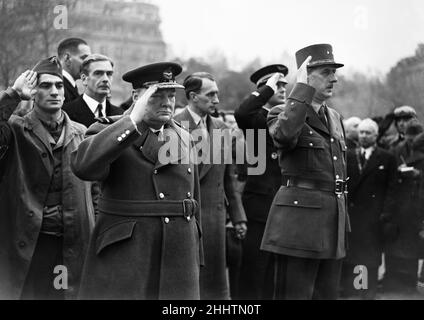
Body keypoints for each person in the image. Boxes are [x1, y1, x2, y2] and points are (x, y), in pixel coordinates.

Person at [71, 62, 202, 300]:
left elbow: (194, 200)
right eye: (156, 95)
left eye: (171, 95)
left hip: (179, 255)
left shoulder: (183, 136)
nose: (166, 102)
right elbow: (83, 166)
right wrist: (131, 121)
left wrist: (196, 253)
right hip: (129, 253)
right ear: (136, 97)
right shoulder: (109, 130)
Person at [0, 57, 96, 299]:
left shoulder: (81, 133)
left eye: (59, 86)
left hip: (73, 243)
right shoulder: (15, 129)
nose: (54, 91)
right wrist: (13, 94)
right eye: (45, 86)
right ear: (33, 92)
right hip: (31, 245)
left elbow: (96, 189)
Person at [262, 44, 349, 300]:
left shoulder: (334, 117)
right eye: (325, 72)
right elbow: (284, 136)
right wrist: (299, 92)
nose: (334, 78)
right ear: (306, 76)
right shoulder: (282, 112)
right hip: (299, 227)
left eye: (334, 72)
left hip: (333, 224)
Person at [174, 72, 247, 300]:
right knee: (187, 286)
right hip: (185, 219)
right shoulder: (174, 125)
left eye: (217, 93)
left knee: (214, 289)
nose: (217, 99)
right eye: (211, 94)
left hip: (215, 219)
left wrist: (238, 217)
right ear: (193, 96)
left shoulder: (221, 128)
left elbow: (227, 179)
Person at [234, 64, 289, 299]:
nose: (283, 89)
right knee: (255, 272)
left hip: (285, 204)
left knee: (277, 275)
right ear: (264, 88)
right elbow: (241, 113)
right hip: (260, 206)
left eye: (285, 85)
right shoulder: (255, 119)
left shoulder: (287, 119)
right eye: (278, 85)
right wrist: (267, 89)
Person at [341, 119, 397, 300]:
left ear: (376, 136)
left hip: (374, 218)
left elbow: (392, 189)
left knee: (369, 257)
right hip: (352, 215)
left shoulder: (387, 158)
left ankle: (366, 291)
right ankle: (352, 290)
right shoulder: (349, 155)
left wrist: (386, 213)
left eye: (368, 133)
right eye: (362, 132)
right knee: (352, 255)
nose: (364, 136)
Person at [384, 119, 424, 295]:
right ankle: (393, 281)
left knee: (411, 247)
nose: (410, 141)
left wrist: (419, 175)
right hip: (399, 204)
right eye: (408, 137)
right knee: (394, 244)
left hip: (416, 205)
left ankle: (409, 283)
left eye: (413, 137)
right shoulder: (395, 150)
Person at [63, 54, 123, 128]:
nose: (105, 79)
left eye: (109, 74)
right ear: (84, 79)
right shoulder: (66, 113)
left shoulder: (120, 115)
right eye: (98, 73)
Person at [57, 38, 91, 104]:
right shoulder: (58, 87)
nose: (89, 64)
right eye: (84, 58)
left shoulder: (69, 86)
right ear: (67, 58)